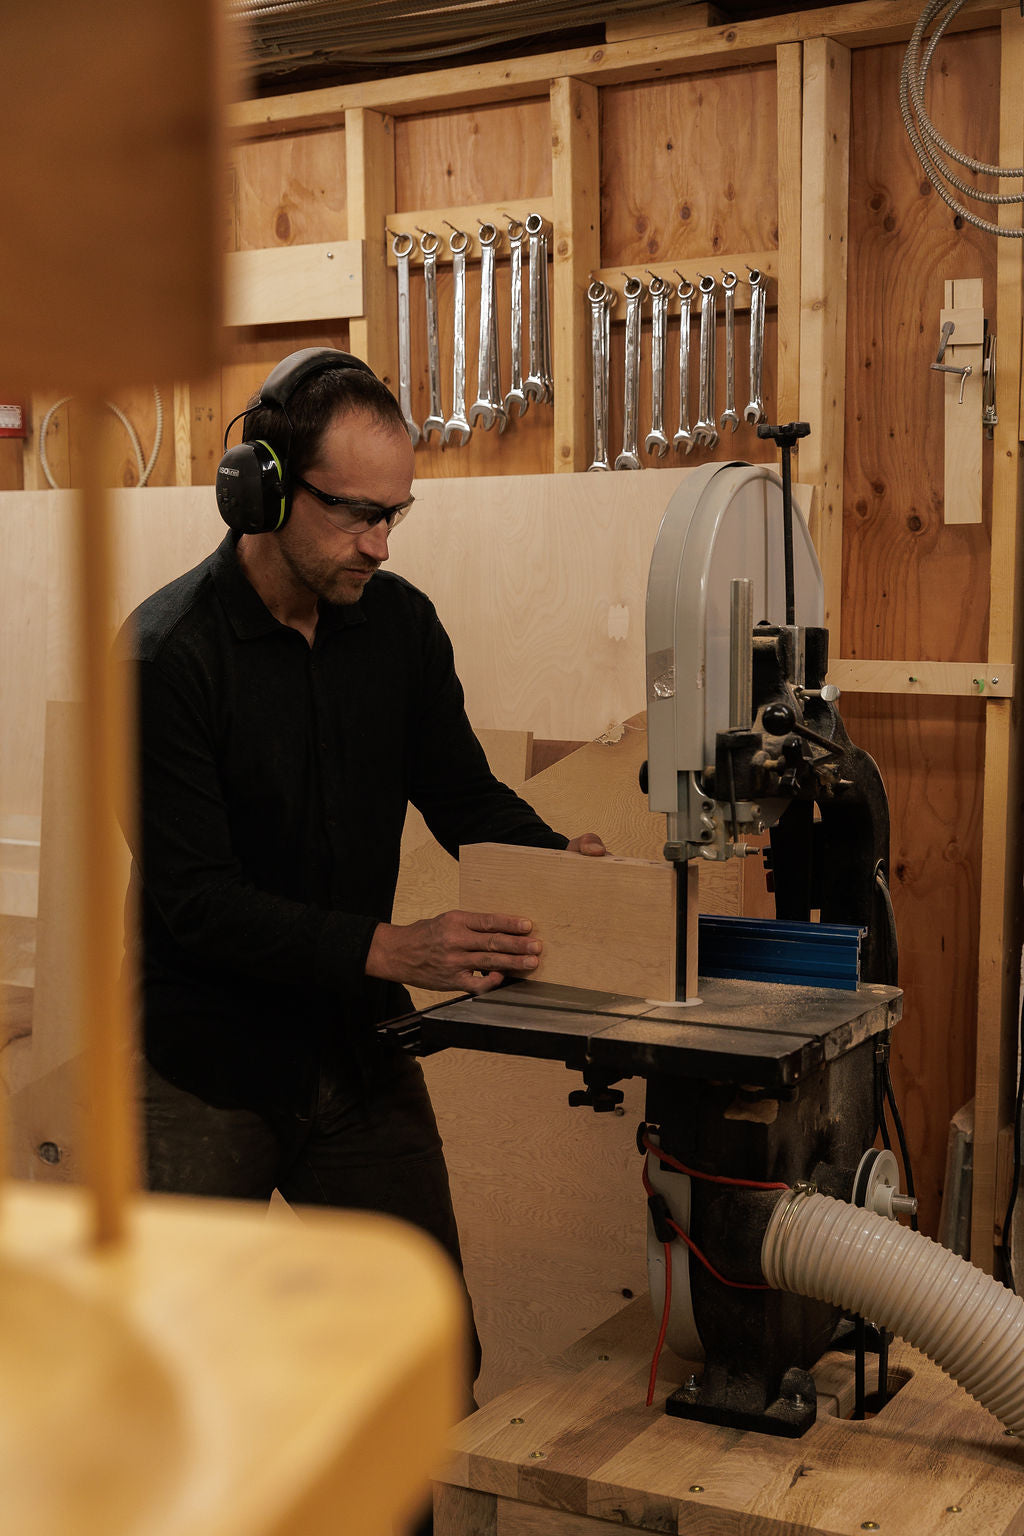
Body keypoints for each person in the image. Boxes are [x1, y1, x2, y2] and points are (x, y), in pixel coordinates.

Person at [119, 347, 605, 1393]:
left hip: (354, 1053)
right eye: (355, 515)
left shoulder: (399, 629)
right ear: (261, 488)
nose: (379, 545)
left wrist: (562, 869)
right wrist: (393, 946)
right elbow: (194, 902)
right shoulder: (165, 659)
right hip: (203, 1070)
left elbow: (464, 795)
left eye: (397, 516)